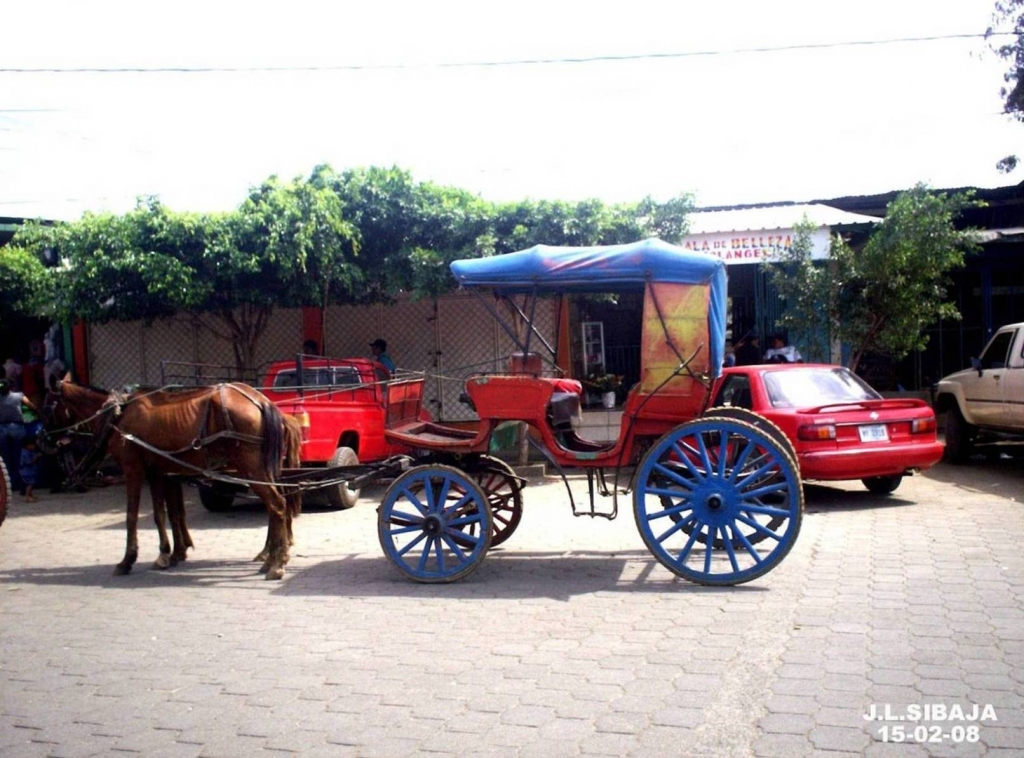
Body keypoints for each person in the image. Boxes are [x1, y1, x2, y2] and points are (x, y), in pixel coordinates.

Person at [0, 373, 36, 495]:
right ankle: (22, 484)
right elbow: (31, 406)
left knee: (5, 459)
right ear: (10, 387)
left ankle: (9, 485)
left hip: (1, 430)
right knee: (19, 457)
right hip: (17, 429)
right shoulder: (18, 396)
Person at [19, 437, 41, 503]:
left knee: (31, 483)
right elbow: (29, 462)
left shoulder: (29, 451)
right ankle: (27, 497)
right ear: (27, 445)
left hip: (30, 470)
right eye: (32, 445)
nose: (33, 447)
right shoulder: (25, 453)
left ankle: (30, 495)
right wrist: (37, 457)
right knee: (30, 484)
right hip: (27, 471)